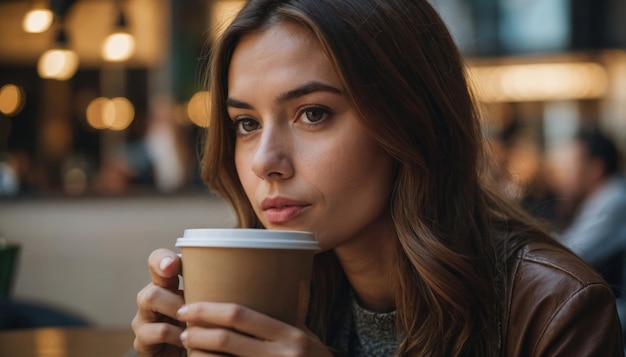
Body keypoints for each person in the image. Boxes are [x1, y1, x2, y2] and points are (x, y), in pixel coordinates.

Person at [132, 1, 624, 355]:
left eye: (313, 114)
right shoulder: (278, 291)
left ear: (408, 118)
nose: (264, 162)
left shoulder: (552, 308)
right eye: (246, 123)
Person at [554, 128, 626, 298]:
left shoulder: (613, 197)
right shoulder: (604, 195)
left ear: (596, 168)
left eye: (572, 164)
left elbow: (571, 254)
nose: (565, 173)